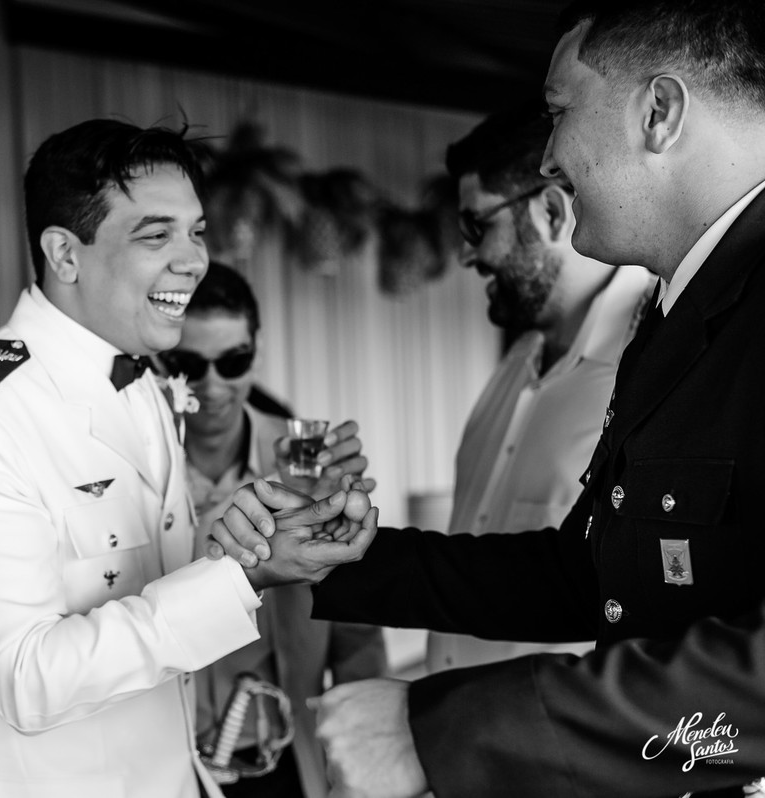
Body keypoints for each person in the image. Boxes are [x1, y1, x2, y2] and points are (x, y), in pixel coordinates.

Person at [208, 1, 765, 795]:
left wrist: (443, 730)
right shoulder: (677, 312)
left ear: (660, 113)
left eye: (558, 113)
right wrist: (356, 554)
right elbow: (591, 576)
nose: (548, 159)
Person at [0, 119, 372, 798]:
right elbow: (26, 678)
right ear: (65, 254)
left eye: (197, 231)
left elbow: (155, 569)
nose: (194, 260)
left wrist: (269, 521)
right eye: (156, 235)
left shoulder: (143, 384)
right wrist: (242, 576)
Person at [426, 102, 656, 674]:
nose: (465, 253)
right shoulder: (515, 366)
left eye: (477, 225)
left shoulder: (652, 368)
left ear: (552, 213)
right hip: (451, 733)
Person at [163, 261, 388, 798]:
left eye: (233, 360)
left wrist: (368, 755)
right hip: (166, 767)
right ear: (165, 362)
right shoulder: (141, 461)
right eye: (192, 363)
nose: (214, 384)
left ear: (256, 350)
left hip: (286, 761)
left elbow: (356, 627)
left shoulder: (306, 460)